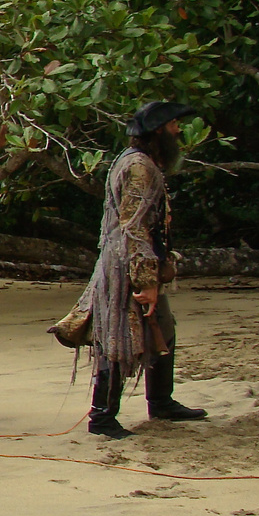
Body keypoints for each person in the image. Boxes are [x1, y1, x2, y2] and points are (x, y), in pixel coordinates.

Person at [71, 101, 208, 439]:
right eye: (174, 124)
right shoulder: (138, 168)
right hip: (126, 267)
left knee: (163, 329)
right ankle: (101, 417)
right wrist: (146, 280)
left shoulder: (139, 162)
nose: (178, 130)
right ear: (160, 129)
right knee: (118, 338)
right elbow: (134, 228)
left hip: (129, 261)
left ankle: (161, 402)